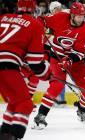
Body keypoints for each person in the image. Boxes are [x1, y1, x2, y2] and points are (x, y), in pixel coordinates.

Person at [33, 2, 85, 129]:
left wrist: (69, 61)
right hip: (57, 58)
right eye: (78, 16)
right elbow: (42, 20)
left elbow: (79, 52)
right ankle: (40, 116)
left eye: (83, 16)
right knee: (57, 85)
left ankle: (82, 111)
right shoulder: (60, 17)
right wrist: (39, 24)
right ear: (72, 15)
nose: (81, 19)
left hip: (75, 61)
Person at [0, 0, 50, 139]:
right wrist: (47, 73)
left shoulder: (3, 17)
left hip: (6, 64)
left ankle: (4, 135)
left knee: (15, 102)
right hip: (6, 66)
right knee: (26, 103)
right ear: (34, 9)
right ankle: (14, 137)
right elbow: (35, 62)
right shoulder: (35, 24)